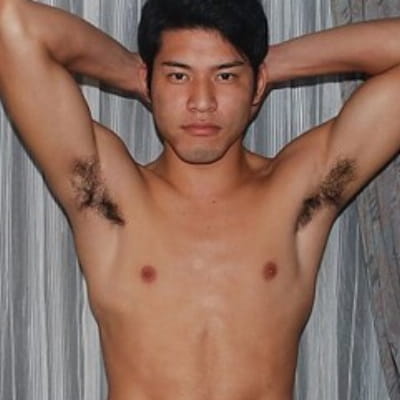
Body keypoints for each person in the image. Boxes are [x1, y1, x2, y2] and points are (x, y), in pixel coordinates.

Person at [0, 0, 399, 398]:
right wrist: (131, 70)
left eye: (225, 76)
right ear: (150, 80)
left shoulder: (295, 195)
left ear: (256, 85)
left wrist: (270, 64)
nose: (202, 102)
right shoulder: (111, 199)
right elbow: (13, 24)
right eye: (178, 76)